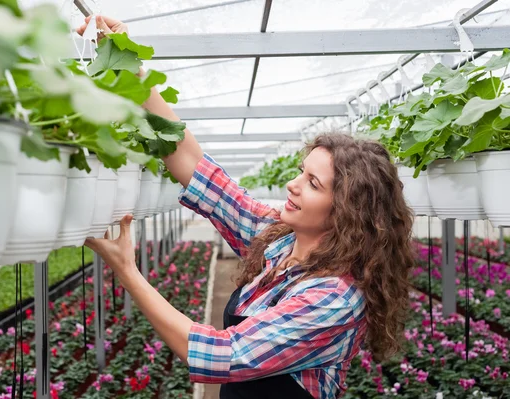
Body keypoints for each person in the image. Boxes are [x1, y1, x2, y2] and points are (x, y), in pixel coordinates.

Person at [78, 15, 416, 399]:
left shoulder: (336, 297)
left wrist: (127, 270)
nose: (293, 184)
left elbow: (220, 355)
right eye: (301, 172)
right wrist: (127, 63)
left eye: (312, 183)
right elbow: (196, 168)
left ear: (346, 210)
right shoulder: (279, 242)